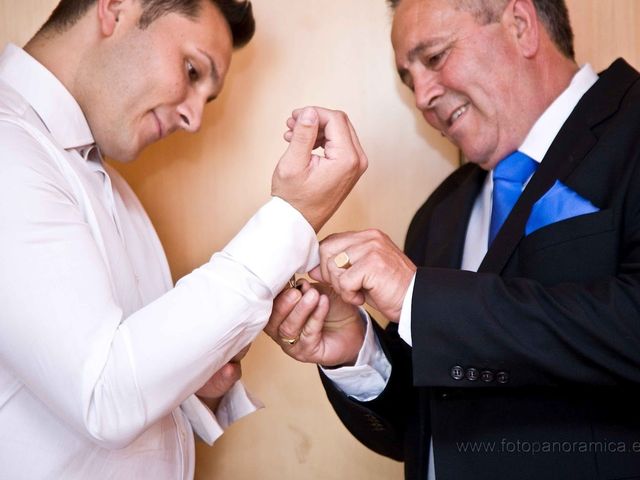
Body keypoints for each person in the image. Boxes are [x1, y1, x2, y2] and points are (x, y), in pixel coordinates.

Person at [265, 0, 640, 479]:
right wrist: (357, 350)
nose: (421, 96)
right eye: (408, 78)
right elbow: (422, 429)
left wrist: (420, 297)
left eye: (435, 57)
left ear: (520, 25)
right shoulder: (439, 214)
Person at [0, 0, 368, 478]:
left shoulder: (116, 194)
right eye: (193, 70)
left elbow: (107, 392)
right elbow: (102, 398)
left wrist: (198, 376)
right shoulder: (9, 149)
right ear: (117, 9)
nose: (195, 119)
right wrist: (292, 217)